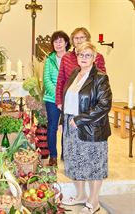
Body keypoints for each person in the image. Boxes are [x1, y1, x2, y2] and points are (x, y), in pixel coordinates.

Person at [61, 42, 112, 214]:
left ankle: (94, 201)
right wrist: (66, 120)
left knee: (93, 165)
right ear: (76, 55)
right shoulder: (75, 73)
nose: (84, 57)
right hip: (71, 125)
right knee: (75, 162)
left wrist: (81, 119)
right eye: (81, 54)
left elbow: (104, 105)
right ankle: (81, 195)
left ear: (94, 57)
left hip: (91, 127)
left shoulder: (100, 77)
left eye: (88, 55)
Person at [55, 27, 106, 160]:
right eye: (76, 38)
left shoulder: (98, 57)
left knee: (86, 140)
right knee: (69, 136)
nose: (79, 40)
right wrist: (59, 100)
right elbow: (61, 80)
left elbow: (101, 79)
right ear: (72, 41)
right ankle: (68, 158)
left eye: (82, 37)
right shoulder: (67, 58)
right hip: (70, 99)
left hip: (88, 103)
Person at [43, 30, 70, 166]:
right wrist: (58, 97)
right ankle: (53, 156)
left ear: (66, 42)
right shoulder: (49, 59)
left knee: (68, 128)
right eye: (55, 41)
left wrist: (66, 97)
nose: (58, 44)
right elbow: (47, 80)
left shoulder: (72, 58)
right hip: (52, 99)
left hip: (69, 99)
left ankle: (66, 154)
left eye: (61, 41)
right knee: (52, 127)